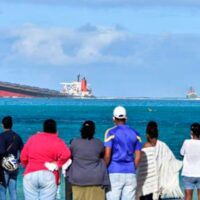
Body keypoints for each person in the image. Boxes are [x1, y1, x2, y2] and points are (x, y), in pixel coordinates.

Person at [20, 119, 71, 200]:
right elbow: (67, 154)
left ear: (43, 128)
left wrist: (28, 166)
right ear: (55, 129)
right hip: (48, 174)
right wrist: (57, 164)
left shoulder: (32, 138)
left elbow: (23, 157)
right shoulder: (57, 140)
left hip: (30, 173)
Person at [137, 121, 183, 200]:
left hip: (145, 187)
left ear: (147, 135)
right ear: (157, 134)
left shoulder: (144, 148)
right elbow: (172, 163)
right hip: (157, 187)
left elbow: (140, 169)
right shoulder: (163, 146)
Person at [104, 106, 142, 200]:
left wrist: (104, 169)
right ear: (126, 118)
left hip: (114, 171)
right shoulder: (135, 133)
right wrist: (133, 168)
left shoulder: (110, 133)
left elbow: (107, 155)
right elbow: (138, 157)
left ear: (113, 118)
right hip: (130, 172)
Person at [67, 120, 110, 200]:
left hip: (78, 179)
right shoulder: (99, 143)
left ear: (82, 130)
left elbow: (69, 155)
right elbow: (104, 156)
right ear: (93, 131)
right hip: (96, 179)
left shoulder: (74, 143)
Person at [0, 116, 24, 200]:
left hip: (3, 167)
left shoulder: (1, 136)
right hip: (14, 166)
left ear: (3, 125)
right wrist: (19, 161)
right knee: (13, 190)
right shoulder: (17, 136)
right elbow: (23, 151)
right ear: (12, 125)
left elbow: (2, 151)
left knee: (2, 190)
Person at [180, 122, 200, 200]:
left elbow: (181, 153)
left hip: (188, 173)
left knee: (188, 197)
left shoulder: (186, 142)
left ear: (191, 132)